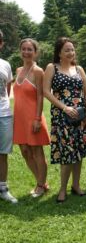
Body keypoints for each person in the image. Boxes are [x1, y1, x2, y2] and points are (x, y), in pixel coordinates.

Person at [43, 37, 86, 203]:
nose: (71, 52)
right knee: (66, 153)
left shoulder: (79, 69)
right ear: (59, 52)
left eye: (72, 49)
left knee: (78, 151)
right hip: (62, 116)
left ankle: (76, 185)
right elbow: (46, 92)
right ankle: (62, 189)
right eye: (67, 50)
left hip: (79, 116)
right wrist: (64, 107)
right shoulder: (52, 68)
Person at [13, 38, 50, 197]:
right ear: (20, 51)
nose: (26, 52)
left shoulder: (38, 71)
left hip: (33, 117)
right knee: (25, 151)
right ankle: (41, 182)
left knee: (36, 151)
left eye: (30, 49)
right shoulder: (18, 70)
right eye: (24, 49)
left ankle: (41, 185)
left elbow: (41, 96)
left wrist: (37, 119)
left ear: (35, 53)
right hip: (19, 119)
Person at [0, 30, 17, 204]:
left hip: (4, 114)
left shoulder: (5, 64)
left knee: (2, 153)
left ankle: (3, 188)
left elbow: (7, 89)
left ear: (1, 44)